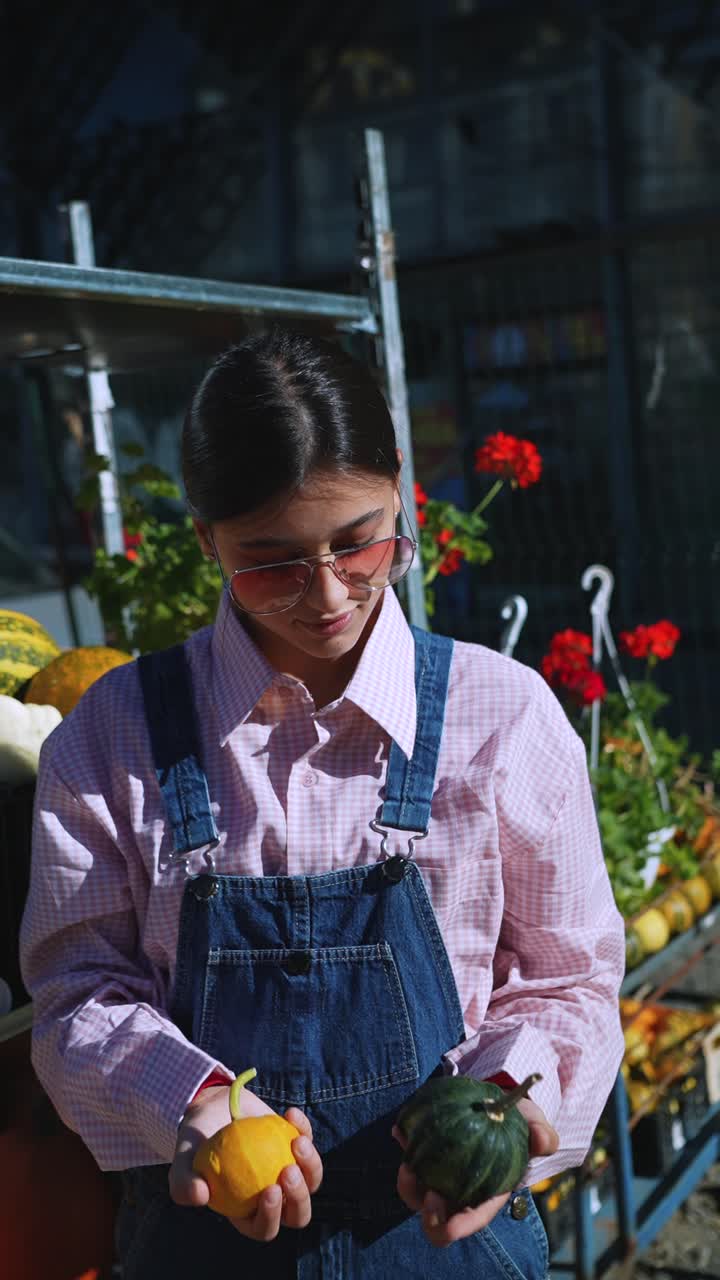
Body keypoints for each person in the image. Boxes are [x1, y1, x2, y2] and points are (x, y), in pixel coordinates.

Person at [20, 329, 625, 1279]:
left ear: (400, 489)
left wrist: (503, 1106)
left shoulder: (499, 718)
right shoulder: (112, 738)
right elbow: (76, 994)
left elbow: (568, 980)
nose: (328, 594)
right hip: (203, 1243)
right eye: (272, 561)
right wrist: (196, 1103)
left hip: (448, 1245)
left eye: (361, 542)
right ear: (204, 538)